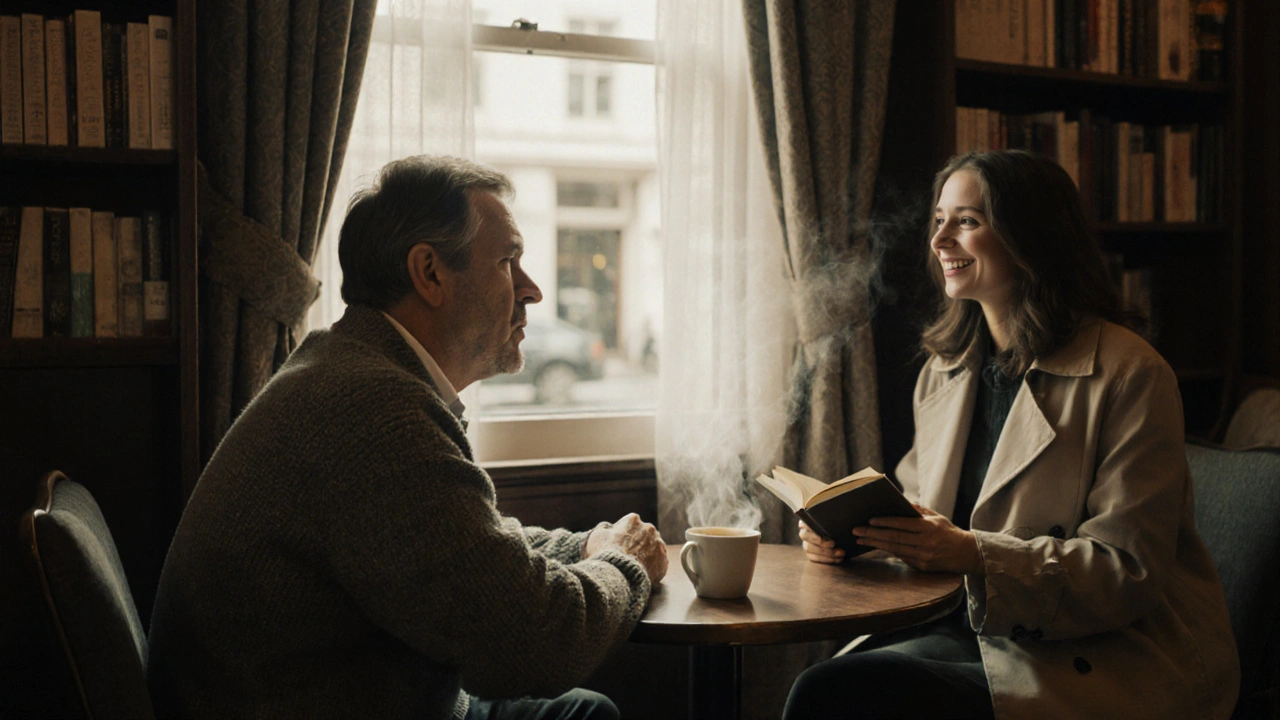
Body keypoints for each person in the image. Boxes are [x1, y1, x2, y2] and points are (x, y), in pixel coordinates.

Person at [147, 156, 668, 720]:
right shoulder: (372, 414)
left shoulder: (350, 367)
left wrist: (585, 548)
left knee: (584, 712)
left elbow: (468, 547)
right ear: (430, 273)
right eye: (508, 261)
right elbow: (529, 643)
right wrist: (624, 564)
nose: (533, 290)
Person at [783, 150, 1240, 719]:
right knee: (824, 687)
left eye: (968, 221)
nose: (940, 239)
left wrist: (972, 553)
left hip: (1102, 656)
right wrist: (855, 536)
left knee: (843, 695)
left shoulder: (1131, 374)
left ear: (1034, 238)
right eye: (939, 219)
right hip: (972, 632)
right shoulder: (944, 372)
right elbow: (921, 517)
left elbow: (1126, 571)